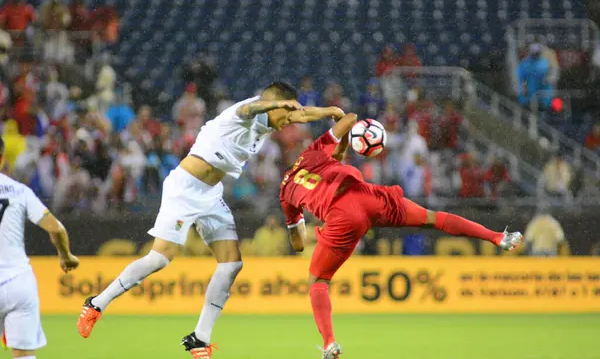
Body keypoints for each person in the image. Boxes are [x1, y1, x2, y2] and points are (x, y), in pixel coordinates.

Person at [76, 81, 344, 359]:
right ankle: (96, 304)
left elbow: (300, 114)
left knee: (231, 264)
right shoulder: (242, 112)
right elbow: (253, 108)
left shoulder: (271, 120)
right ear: (273, 104)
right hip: (184, 188)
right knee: (159, 259)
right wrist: (277, 106)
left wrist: (330, 111)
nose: (287, 122)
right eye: (284, 114)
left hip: (210, 194)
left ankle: (199, 339)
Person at [279, 113, 522, 359]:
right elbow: (349, 120)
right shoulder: (311, 154)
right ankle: (497, 237)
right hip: (367, 196)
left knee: (318, 281)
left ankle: (330, 343)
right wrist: (344, 122)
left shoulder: (285, 191)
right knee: (432, 218)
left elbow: (298, 243)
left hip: (341, 215)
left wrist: (303, 229)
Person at [0, 136, 80, 359]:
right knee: (25, 356)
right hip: (18, 282)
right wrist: (66, 256)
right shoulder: (19, 191)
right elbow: (56, 229)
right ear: (2, 159)